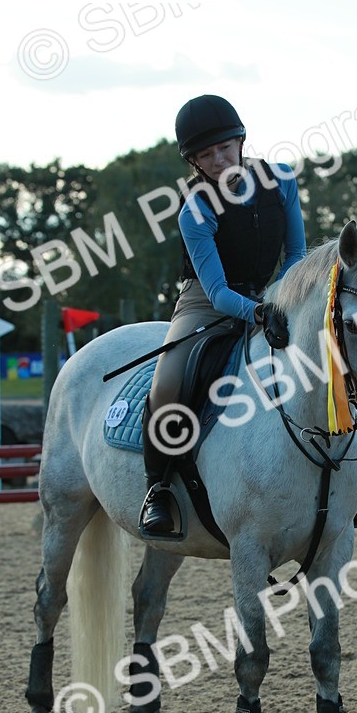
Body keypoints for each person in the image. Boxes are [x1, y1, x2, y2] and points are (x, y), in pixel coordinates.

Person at [139, 94, 307, 537]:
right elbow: (216, 291)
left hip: (272, 294)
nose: (218, 160)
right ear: (193, 161)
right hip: (205, 303)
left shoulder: (282, 180)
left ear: (241, 140)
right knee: (171, 380)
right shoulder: (195, 207)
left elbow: (298, 253)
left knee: (327, 354)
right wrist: (260, 310)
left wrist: (281, 298)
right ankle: (158, 488)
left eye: (225, 148)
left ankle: (342, 477)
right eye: (205, 155)